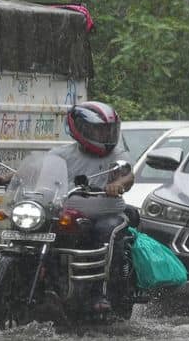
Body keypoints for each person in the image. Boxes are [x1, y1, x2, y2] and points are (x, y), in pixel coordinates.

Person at [48, 101, 133, 313]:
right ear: (81, 128)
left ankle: (101, 292)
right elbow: (40, 173)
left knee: (106, 232)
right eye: (99, 130)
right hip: (69, 214)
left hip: (108, 213)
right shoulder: (61, 154)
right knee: (40, 229)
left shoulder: (117, 156)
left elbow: (128, 176)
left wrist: (117, 185)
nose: (105, 135)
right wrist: (7, 177)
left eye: (109, 130)